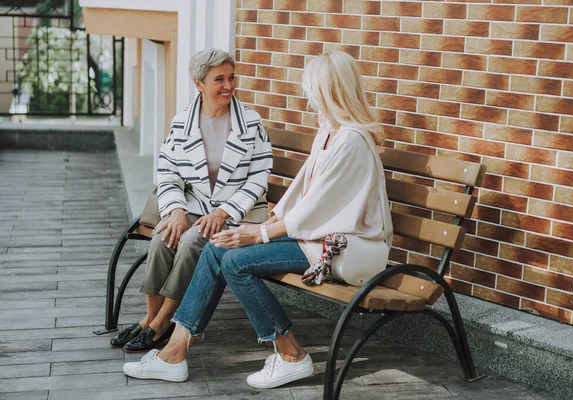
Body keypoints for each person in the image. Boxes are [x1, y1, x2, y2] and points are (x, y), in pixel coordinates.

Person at [122, 51, 393, 388]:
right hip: (312, 236)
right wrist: (266, 223)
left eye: (311, 88)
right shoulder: (330, 132)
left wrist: (258, 233)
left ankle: (291, 353)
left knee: (233, 260)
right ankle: (174, 352)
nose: (307, 95)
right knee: (219, 247)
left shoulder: (351, 140)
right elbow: (301, 191)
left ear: (329, 90)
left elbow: (317, 208)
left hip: (338, 245)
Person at [110, 49, 272, 352]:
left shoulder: (250, 122)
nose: (229, 85)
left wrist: (224, 212)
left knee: (191, 242)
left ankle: (164, 322)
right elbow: (167, 171)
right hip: (192, 208)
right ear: (199, 83)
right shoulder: (183, 121)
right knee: (163, 239)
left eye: (231, 77)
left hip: (236, 215)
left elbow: (260, 176)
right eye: (219, 79)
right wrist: (175, 210)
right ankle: (149, 317)